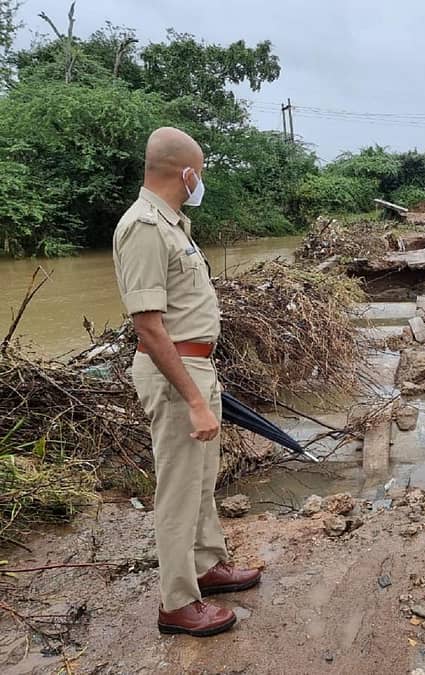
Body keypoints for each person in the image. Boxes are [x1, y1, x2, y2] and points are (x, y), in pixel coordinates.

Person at [113, 127, 261, 636]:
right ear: (187, 173)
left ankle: (206, 565)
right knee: (178, 489)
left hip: (195, 363)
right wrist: (194, 399)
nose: (202, 181)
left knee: (201, 480)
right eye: (201, 172)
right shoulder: (145, 228)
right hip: (174, 369)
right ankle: (176, 602)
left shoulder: (175, 224)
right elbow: (149, 326)